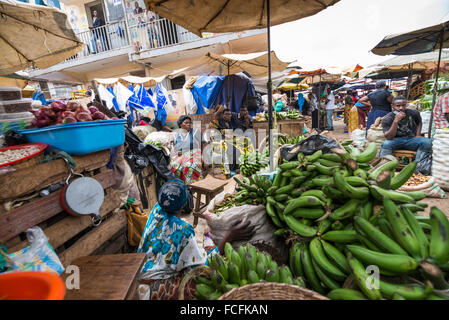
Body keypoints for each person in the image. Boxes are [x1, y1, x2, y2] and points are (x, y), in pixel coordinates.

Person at [137, 178, 255, 300]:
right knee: (201, 283)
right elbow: (203, 266)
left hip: (141, 272)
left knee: (203, 249)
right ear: (184, 205)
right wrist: (229, 236)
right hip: (155, 284)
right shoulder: (184, 230)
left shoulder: (155, 210)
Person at [379, 96, 432, 167]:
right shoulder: (388, 118)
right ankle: (384, 167)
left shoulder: (413, 113)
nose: (401, 108)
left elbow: (419, 122)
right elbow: (388, 137)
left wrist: (418, 134)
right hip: (395, 141)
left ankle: (419, 168)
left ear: (406, 105)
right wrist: (395, 121)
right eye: (398, 106)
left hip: (411, 139)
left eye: (403, 105)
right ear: (392, 106)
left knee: (427, 142)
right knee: (386, 144)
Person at [170, 115, 204, 184]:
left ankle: (193, 185)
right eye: (186, 123)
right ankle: (181, 185)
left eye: (189, 123)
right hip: (181, 155)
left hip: (195, 153)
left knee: (189, 166)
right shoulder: (176, 135)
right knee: (175, 166)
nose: (188, 124)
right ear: (180, 124)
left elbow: (203, 143)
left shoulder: (195, 132)